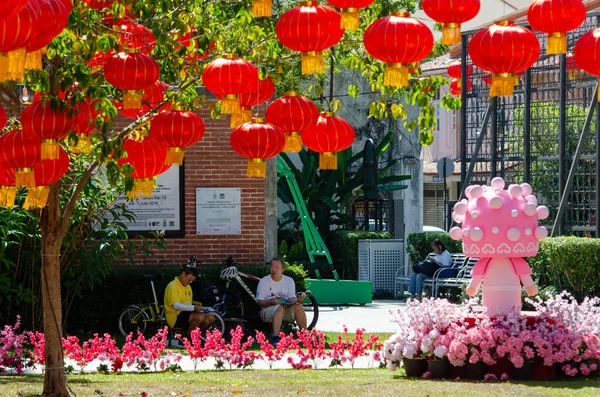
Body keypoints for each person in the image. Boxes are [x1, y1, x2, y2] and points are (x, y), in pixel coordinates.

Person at [257, 257, 307, 344]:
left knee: (298, 307)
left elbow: (291, 298)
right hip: (267, 310)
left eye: (277, 267)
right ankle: (275, 337)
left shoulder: (289, 281)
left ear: (282, 270)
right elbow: (260, 301)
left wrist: (298, 300)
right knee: (279, 307)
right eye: (272, 267)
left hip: (285, 309)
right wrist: (271, 303)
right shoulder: (264, 281)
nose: (274, 269)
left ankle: (305, 335)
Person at [164, 266, 215, 335]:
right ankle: (189, 338)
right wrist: (193, 308)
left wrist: (198, 307)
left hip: (186, 313)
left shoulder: (188, 287)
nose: (190, 282)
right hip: (174, 317)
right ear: (183, 274)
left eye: (192, 280)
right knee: (199, 316)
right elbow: (176, 305)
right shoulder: (172, 286)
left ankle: (195, 335)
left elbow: (188, 303)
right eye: (189, 279)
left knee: (210, 317)